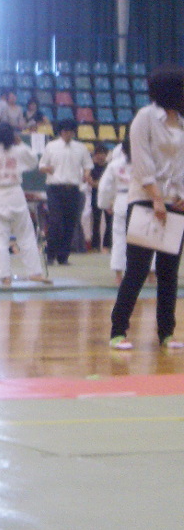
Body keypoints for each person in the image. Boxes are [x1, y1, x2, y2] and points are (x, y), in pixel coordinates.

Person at [109, 65, 184, 351]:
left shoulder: (183, 121)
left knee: (169, 272)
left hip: (176, 203)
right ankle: (118, 330)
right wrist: (155, 198)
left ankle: (166, 332)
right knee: (138, 270)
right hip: (145, 200)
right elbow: (141, 162)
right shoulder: (145, 118)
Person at [0, 123, 51, 285]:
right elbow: (33, 161)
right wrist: (20, 142)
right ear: (14, 136)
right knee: (26, 236)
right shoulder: (20, 150)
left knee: (0, 239)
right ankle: (35, 272)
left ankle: (4, 276)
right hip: (15, 194)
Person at [38, 119, 94, 265]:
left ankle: (63, 257)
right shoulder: (51, 146)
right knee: (55, 222)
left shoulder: (81, 148)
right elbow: (41, 165)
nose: (67, 134)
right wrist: (47, 169)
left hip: (74, 189)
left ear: (73, 132)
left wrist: (86, 174)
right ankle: (50, 255)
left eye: (70, 131)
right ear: (60, 132)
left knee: (70, 224)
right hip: (55, 189)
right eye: (64, 131)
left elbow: (88, 165)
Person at [98, 136, 133, 283]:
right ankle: (150, 275)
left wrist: (105, 204)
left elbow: (104, 187)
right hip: (142, 201)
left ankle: (119, 275)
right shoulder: (148, 164)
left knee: (119, 238)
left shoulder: (115, 165)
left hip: (121, 200)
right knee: (146, 240)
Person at [89, 144, 110, 251]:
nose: (101, 156)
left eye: (103, 154)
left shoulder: (109, 166)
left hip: (108, 196)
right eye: (98, 154)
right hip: (95, 196)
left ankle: (107, 245)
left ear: (106, 155)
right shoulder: (91, 167)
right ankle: (95, 246)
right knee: (96, 222)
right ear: (95, 155)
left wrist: (99, 183)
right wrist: (101, 184)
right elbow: (91, 182)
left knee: (109, 221)